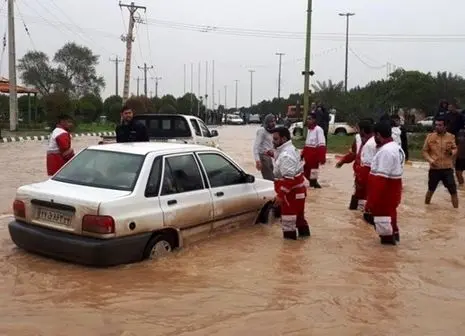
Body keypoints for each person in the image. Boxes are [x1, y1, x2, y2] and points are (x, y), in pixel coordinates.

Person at [365, 122, 405, 245]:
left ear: (378, 135)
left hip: (384, 196)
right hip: (392, 193)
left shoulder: (386, 152)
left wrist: (370, 203)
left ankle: (386, 258)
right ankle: (394, 239)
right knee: (391, 222)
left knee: (385, 230)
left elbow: (380, 180)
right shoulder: (396, 147)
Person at [271, 126, 310, 240]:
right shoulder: (290, 149)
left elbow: (288, 179)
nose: (273, 142)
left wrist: (280, 195)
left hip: (291, 195)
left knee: (288, 223)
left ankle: (290, 251)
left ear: (283, 139)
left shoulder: (286, 155)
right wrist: (272, 154)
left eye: (275, 139)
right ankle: (304, 242)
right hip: (298, 192)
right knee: (299, 219)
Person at [336, 119, 376, 210]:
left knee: (366, 196)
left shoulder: (374, 142)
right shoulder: (357, 138)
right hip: (359, 173)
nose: (356, 130)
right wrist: (343, 161)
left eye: (357, 128)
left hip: (369, 174)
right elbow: (353, 153)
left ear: (362, 130)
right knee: (358, 196)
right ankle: (356, 214)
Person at [422, 117, 459, 208]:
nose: (437, 127)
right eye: (436, 124)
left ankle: (456, 210)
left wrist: (451, 152)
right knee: (430, 190)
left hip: (447, 169)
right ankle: (426, 208)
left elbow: (455, 149)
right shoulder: (430, 137)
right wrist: (431, 160)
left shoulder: (451, 136)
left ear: (445, 126)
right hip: (435, 169)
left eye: (440, 125)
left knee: (453, 192)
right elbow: (424, 151)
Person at [301, 113, 326, 188]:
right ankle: (314, 185)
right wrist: (302, 155)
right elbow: (307, 144)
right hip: (308, 157)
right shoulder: (309, 130)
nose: (308, 121)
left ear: (314, 120)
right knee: (305, 172)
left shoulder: (319, 130)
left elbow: (321, 144)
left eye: (309, 119)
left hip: (314, 158)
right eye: (307, 119)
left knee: (313, 175)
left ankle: (315, 186)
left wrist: (322, 158)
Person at [253, 114, 276, 181]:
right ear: (267, 122)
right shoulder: (262, 131)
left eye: (274, 121)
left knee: (274, 177)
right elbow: (255, 147)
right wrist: (257, 161)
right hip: (264, 157)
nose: (273, 123)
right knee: (269, 179)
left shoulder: (273, 131)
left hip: (271, 156)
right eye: (271, 122)